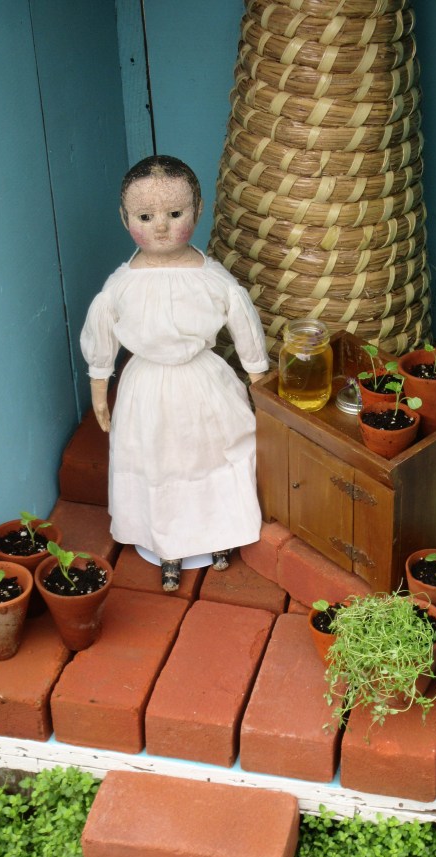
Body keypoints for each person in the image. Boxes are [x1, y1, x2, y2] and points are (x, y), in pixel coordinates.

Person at [80, 155, 269, 591]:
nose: (161, 227)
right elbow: (101, 332)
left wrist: (258, 376)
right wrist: (98, 384)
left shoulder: (212, 278)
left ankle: (220, 530)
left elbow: (244, 324)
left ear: (198, 210)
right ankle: (166, 542)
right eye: (145, 217)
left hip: (203, 382)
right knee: (156, 461)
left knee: (214, 454)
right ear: (125, 217)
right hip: (146, 387)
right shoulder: (122, 285)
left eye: (175, 213)